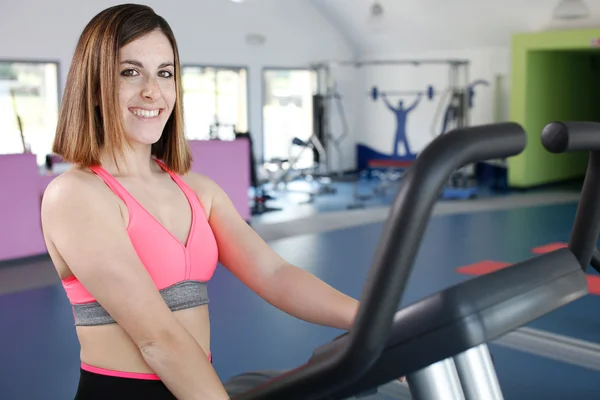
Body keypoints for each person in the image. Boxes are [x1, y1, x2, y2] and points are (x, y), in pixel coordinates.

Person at [40, 4, 404, 399]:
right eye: (130, 72)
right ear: (94, 87)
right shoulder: (76, 195)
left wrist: (374, 323)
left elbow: (274, 274)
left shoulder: (198, 189)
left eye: (165, 73)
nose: (152, 90)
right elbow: (157, 340)